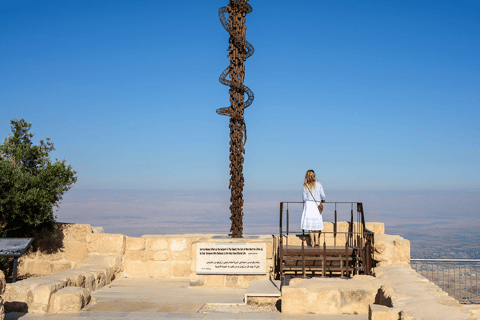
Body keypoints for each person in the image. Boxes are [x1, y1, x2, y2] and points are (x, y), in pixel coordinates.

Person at [300, 170, 326, 247]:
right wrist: (323, 199)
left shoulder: (305, 185)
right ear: (314, 175)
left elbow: (304, 197)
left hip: (309, 205)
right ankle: (317, 241)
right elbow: (323, 195)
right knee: (316, 223)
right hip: (316, 204)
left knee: (310, 224)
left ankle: (312, 242)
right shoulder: (319, 184)